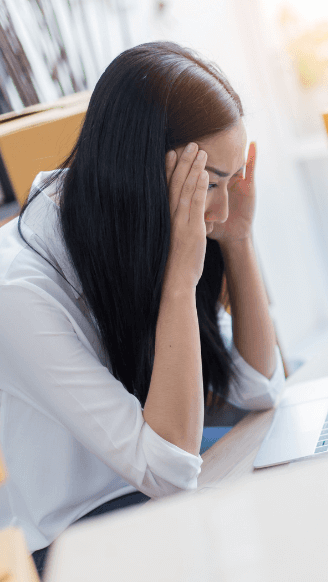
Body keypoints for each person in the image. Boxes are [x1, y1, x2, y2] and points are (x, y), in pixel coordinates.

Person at [0, 41, 284, 571]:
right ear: (145, 175)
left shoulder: (131, 230)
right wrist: (179, 282)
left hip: (154, 501)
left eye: (231, 180)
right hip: (74, 546)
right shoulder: (18, 290)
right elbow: (171, 472)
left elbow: (259, 386)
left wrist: (239, 241)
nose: (219, 210)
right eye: (210, 185)